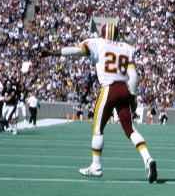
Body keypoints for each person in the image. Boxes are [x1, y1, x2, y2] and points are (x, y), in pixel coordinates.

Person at [40, 23, 157, 183]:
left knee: (97, 128)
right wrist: (132, 97)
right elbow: (134, 77)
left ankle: (96, 166)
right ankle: (147, 159)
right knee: (130, 130)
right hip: (124, 88)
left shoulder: (97, 43)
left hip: (109, 88)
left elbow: (77, 51)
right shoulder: (126, 47)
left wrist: (54, 53)